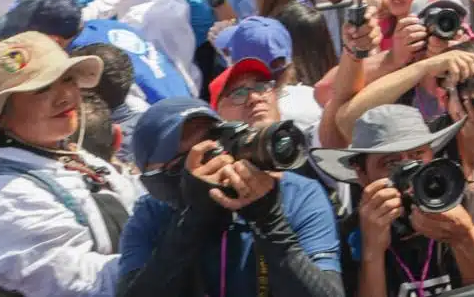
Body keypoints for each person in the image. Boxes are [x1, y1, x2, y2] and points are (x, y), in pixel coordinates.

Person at [0, 32, 139, 297]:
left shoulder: (59, 150)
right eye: (41, 89)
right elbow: (81, 284)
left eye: (68, 79)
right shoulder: (4, 194)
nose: (66, 96)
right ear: (2, 116)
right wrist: (164, 258)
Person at [116, 96, 343, 297]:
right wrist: (191, 221)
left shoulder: (296, 193)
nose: (214, 163)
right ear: (156, 179)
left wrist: (270, 221)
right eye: (187, 161)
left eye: (215, 147)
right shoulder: (150, 214)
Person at [312, 105, 474, 296]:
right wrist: (372, 251)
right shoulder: (349, 234)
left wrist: (465, 237)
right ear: (362, 174)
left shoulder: (473, 205)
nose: (410, 171)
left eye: (417, 155)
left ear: (432, 154)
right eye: (391, 163)